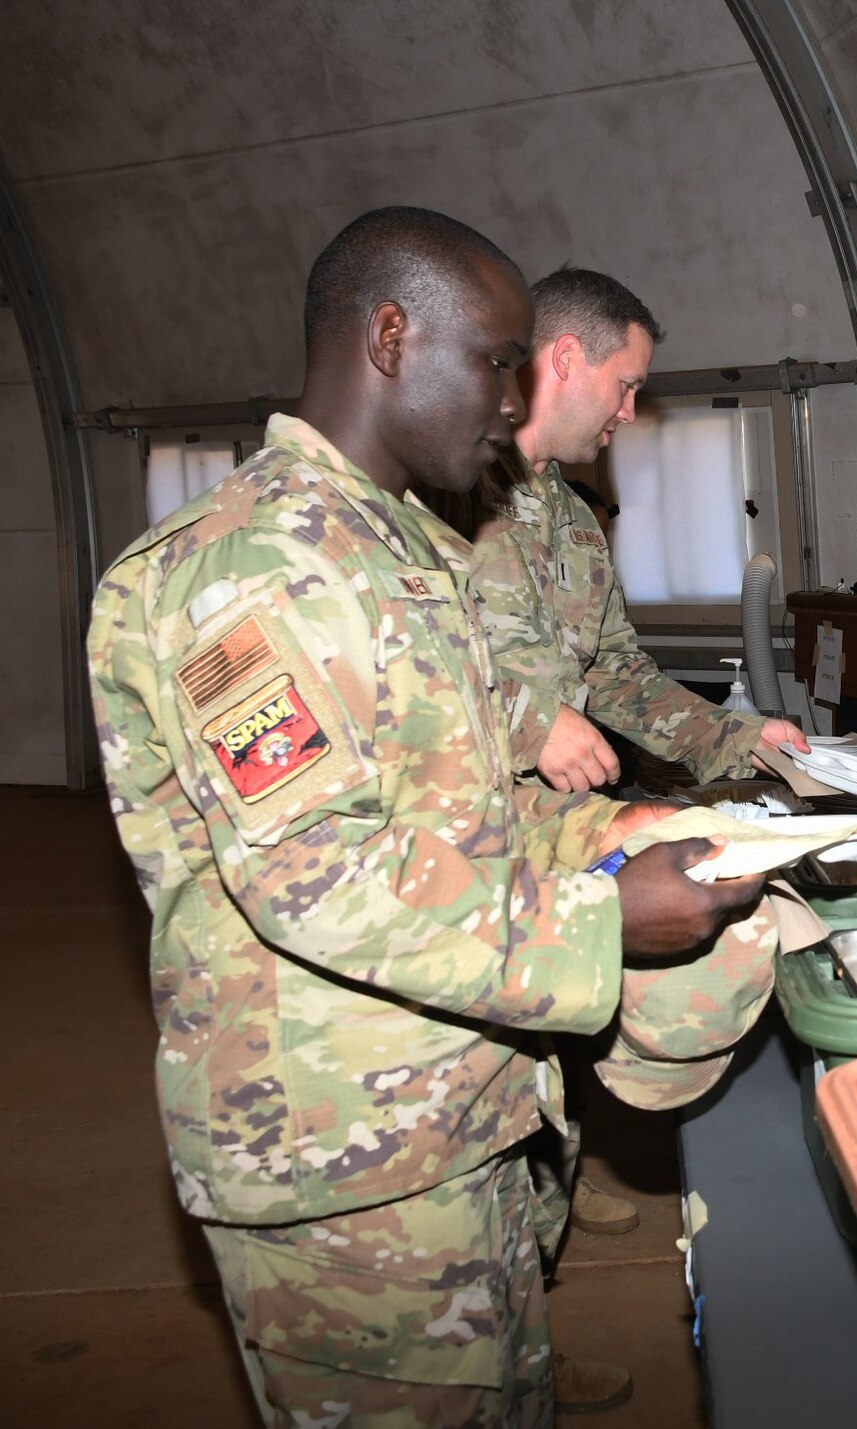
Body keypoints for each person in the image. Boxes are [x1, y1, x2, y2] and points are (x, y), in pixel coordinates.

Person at [88, 206, 768, 1426]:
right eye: (498, 361)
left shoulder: (395, 549)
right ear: (390, 336)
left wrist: (621, 836)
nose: (515, 403)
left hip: (454, 1103)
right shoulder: (244, 572)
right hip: (340, 1161)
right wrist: (600, 920)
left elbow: (463, 811)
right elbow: (319, 876)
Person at [441, 267, 809, 1259]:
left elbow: (620, 678)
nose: (631, 411)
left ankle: (542, 1218)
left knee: (548, 1043)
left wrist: (741, 738)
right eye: (625, 384)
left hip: (555, 840)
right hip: (453, 852)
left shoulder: (565, 519)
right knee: (474, 1076)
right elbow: (385, 676)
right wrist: (527, 717)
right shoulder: (436, 493)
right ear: (566, 360)